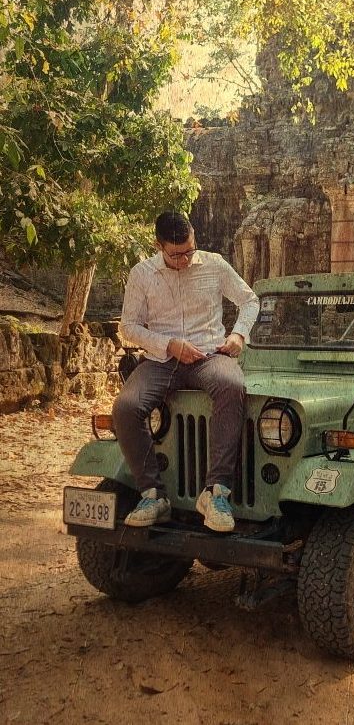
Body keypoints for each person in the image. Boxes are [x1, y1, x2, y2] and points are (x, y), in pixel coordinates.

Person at [112, 210, 259, 532]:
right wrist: (168, 344)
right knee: (125, 407)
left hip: (209, 354)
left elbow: (249, 301)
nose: (184, 259)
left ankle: (216, 492)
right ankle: (153, 495)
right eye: (176, 254)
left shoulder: (214, 264)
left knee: (231, 386)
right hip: (160, 360)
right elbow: (129, 326)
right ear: (158, 246)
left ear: (194, 239)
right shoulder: (142, 273)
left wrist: (238, 334)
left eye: (189, 251)